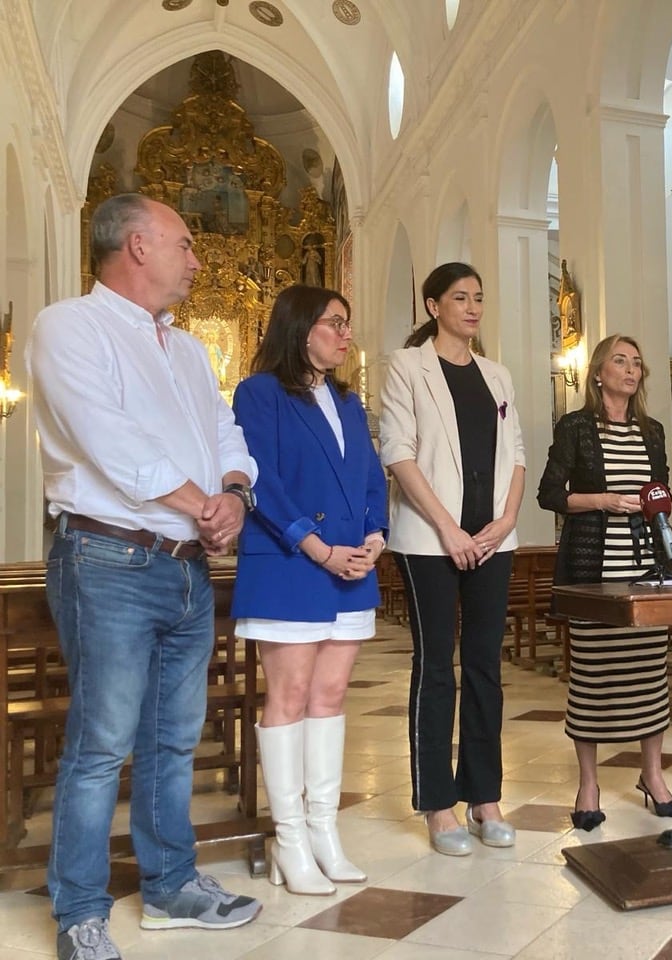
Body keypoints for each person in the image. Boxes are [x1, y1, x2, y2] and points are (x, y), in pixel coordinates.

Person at [26, 193, 262, 960]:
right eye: (185, 244)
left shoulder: (187, 348)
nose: (198, 259)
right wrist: (203, 503)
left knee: (173, 741)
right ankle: (81, 913)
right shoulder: (69, 325)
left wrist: (234, 490)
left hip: (187, 568)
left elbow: (225, 426)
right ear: (136, 244)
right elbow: (107, 438)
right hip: (108, 560)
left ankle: (171, 886)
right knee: (100, 743)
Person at [231, 285, 388, 894]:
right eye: (335, 324)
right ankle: (289, 840)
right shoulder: (261, 393)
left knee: (331, 695)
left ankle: (324, 831)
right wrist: (316, 546)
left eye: (348, 325)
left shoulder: (349, 401)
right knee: (290, 695)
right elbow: (259, 480)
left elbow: (372, 476)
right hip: (291, 563)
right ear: (300, 329)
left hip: (352, 563)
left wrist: (375, 536)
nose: (346, 335)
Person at [380, 262, 525, 856]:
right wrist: (450, 530)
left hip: (493, 539)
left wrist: (507, 520)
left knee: (486, 666)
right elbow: (398, 452)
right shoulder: (407, 366)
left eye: (479, 298)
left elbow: (515, 453)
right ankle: (438, 803)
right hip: (428, 541)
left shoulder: (496, 375)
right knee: (437, 665)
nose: (472, 307)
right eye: (460, 298)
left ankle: (485, 795)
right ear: (434, 305)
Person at [537, 335, 672, 830]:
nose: (630, 369)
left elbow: (660, 495)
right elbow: (549, 494)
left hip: (646, 569)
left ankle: (652, 776)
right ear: (598, 372)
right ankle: (589, 783)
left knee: (648, 675)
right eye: (619, 361)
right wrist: (602, 500)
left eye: (637, 363)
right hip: (593, 569)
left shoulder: (653, 430)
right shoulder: (576, 427)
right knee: (593, 676)